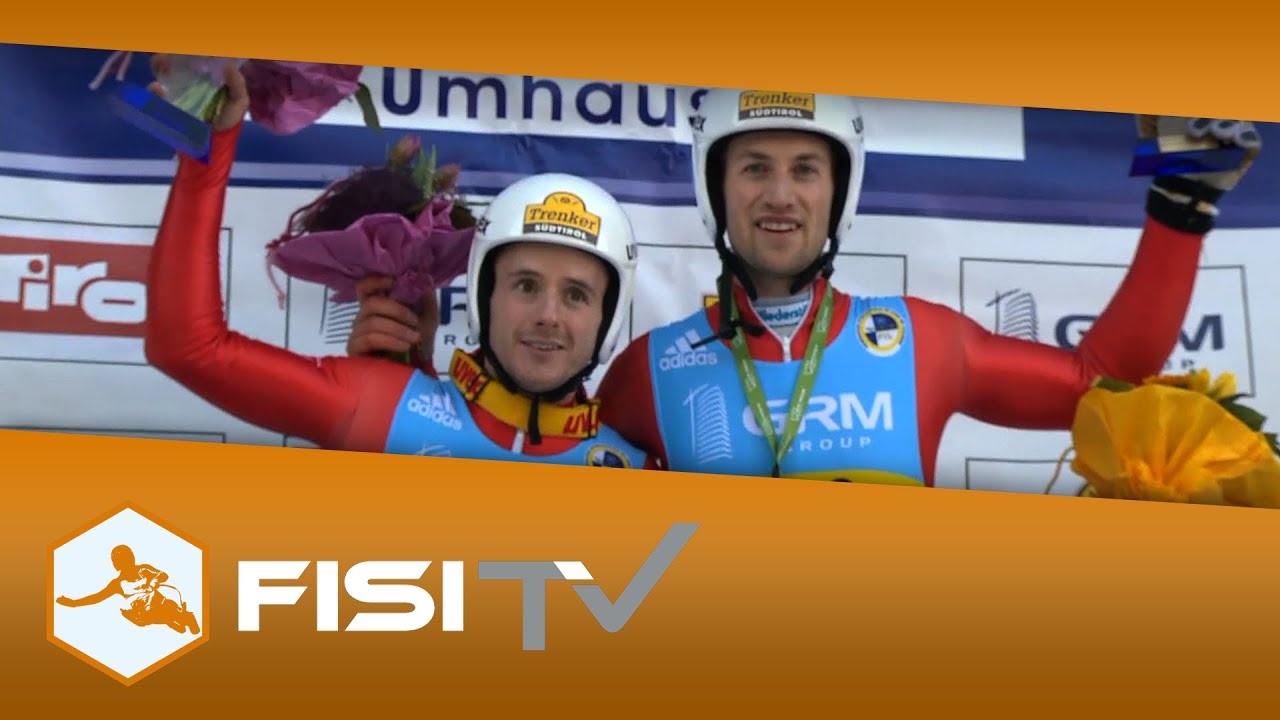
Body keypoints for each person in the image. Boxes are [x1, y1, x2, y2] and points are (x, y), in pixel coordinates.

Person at [345, 88, 1261, 487]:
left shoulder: (923, 342)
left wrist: (1180, 205)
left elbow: (1107, 381)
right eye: (754, 168)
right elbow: (526, 462)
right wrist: (410, 391)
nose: (779, 195)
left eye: (804, 170)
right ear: (718, 192)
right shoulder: (646, 373)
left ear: (837, 195)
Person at [143, 60, 652, 469]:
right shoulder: (384, 405)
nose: (548, 314)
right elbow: (187, 348)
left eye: (577, 295)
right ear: (484, 296)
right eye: (525, 285)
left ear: (607, 319)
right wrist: (206, 153)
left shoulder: (639, 469)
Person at [55, 545, 200, 634]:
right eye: (120, 560)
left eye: (125, 558)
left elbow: (164, 575)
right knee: (141, 620)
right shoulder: (117, 584)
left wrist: (154, 580)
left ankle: (184, 617)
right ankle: (174, 620)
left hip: (160, 603)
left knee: (174, 612)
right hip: (143, 612)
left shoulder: (143, 569)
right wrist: (73, 603)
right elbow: (96, 597)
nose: (124, 562)